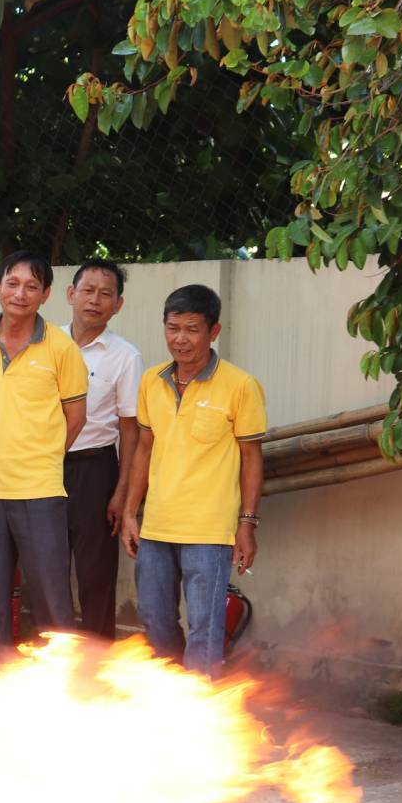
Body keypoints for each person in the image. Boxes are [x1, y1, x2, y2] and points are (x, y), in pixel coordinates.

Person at [121, 284, 264, 677]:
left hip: (209, 530)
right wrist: (131, 513)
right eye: (172, 328)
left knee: (205, 627)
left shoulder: (240, 385)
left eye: (191, 329)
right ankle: (173, 696)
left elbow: (251, 458)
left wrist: (247, 524)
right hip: (157, 525)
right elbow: (144, 450)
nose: (180, 339)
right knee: (154, 617)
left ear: (213, 331)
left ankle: (200, 711)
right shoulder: (152, 380)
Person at [0, 250, 88, 655]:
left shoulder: (62, 347)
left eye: (32, 286)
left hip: (39, 492)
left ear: (46, 294)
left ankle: (65, 693)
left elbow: (76, 417)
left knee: (52, 603)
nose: (20, 293)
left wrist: (41, 456)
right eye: (12, 283)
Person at [63, 260, 144, 639]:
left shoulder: (125, 356)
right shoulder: (47, 344)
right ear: (70, 294)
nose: (95, 300)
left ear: (118, 304)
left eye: (105, 294)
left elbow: (131, 431)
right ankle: (50, 663)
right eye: (88, 290)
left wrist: (121, 492)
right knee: (46, 568)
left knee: (95, 573)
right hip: (42, 467)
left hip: (94, 469)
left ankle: (95, 661)